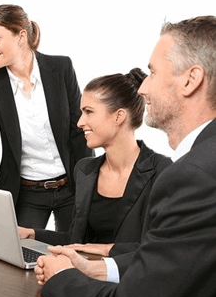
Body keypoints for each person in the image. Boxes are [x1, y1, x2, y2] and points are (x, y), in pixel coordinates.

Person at [35, 15, 216, 297]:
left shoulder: (188, 176)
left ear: (191, 79)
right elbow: (179, 255)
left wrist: (62, 277)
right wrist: (97, 269)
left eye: (153, 73)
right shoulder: (201, 163)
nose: (142, 89)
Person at [17, 69, 171, 282]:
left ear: (119, 116)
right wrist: (31, 233)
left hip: (132, 284)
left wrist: (108, 249)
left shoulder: (162, 171)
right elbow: (76, 240)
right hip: (84, 281)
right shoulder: (85, 170)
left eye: (89, 112)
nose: (80, 122)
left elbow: (161, 249)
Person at [0, 4, 91, 240]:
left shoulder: (61, 68)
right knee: (17, 259)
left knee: (76, 253)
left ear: (21, 36)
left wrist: (89, 187)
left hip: (70, 186)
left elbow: (79, 132)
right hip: (27, 193)